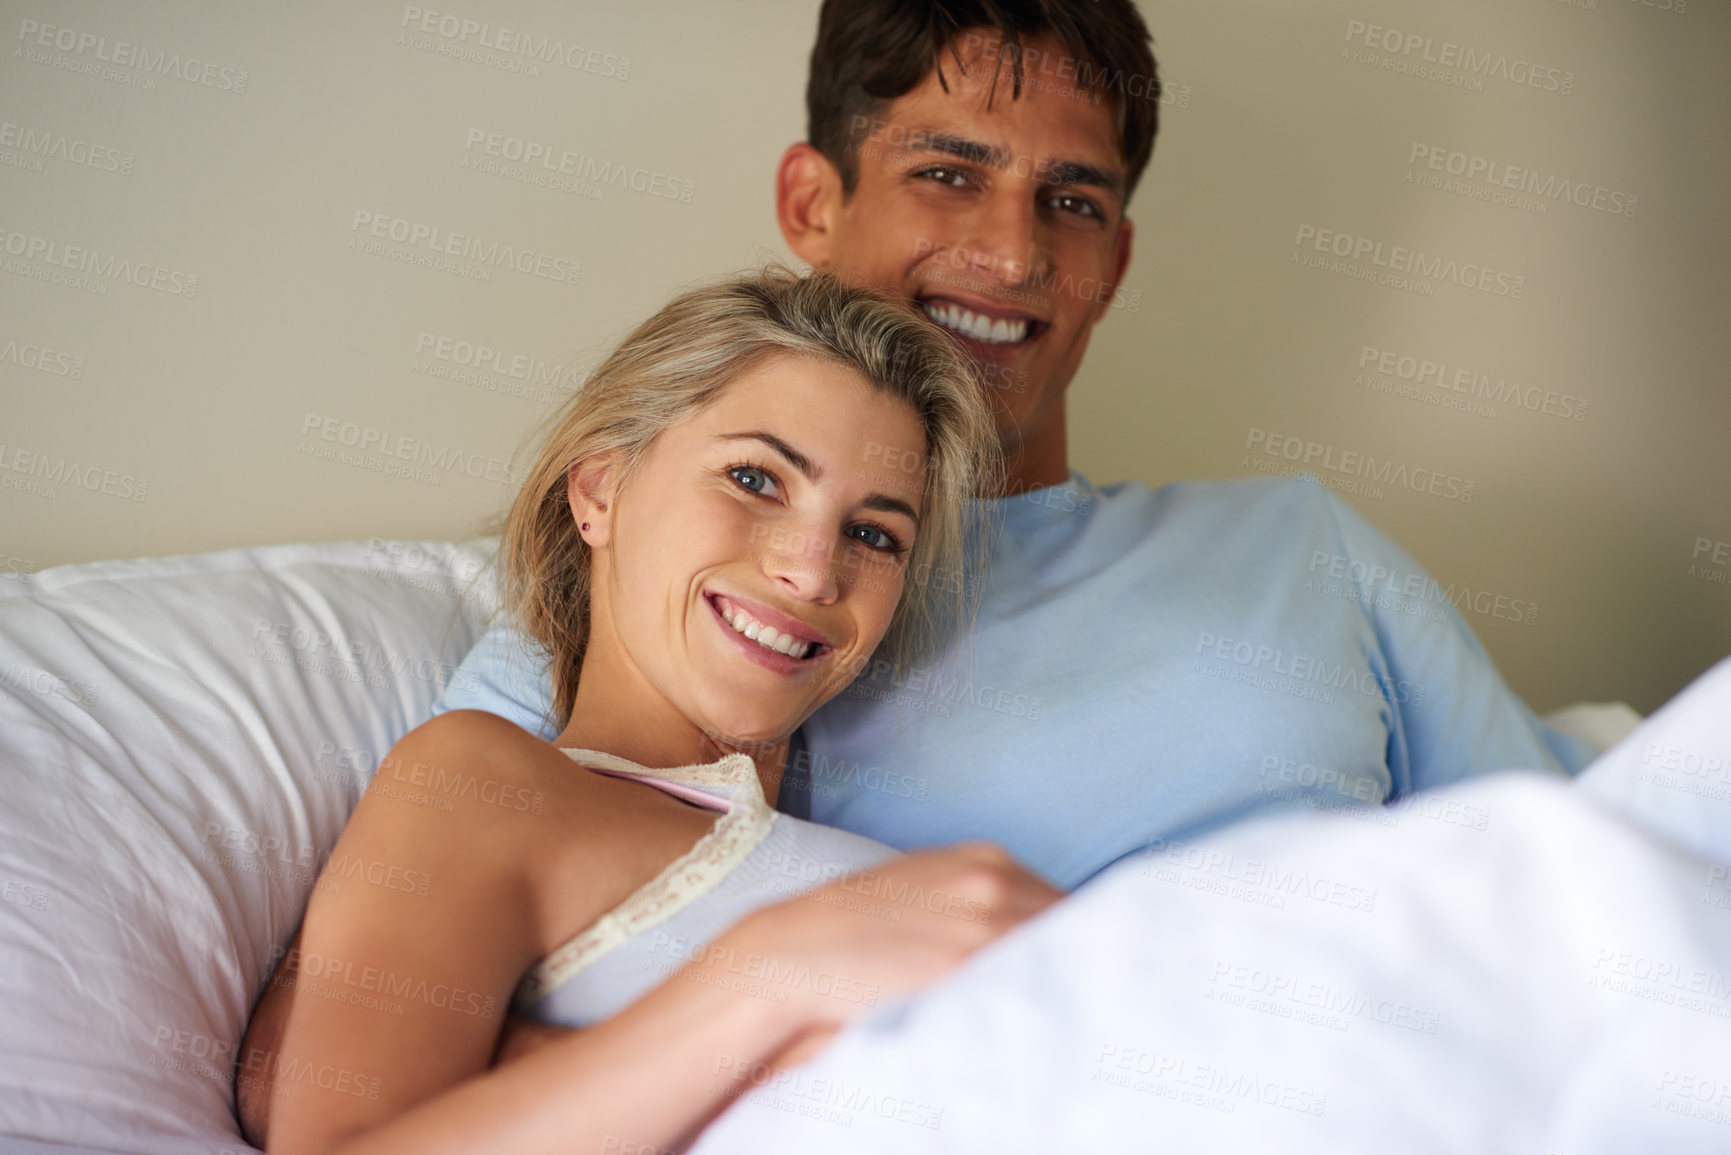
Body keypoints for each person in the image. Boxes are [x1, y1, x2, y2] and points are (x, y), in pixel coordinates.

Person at [436, 0, 1595, 893]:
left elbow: (1574, 890)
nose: (1012, 254)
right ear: (812, 204)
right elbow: (373, 1025)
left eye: (1072, 202)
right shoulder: (687, 598)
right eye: (948, 174)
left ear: (1116, 265)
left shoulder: (1305, 547)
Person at [236, 268, 1059, 1152]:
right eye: (755, 478)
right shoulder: (487, 781)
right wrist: (771, 977)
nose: (815, 570)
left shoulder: (872, 853)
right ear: (598, 490)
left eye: (873, 534)